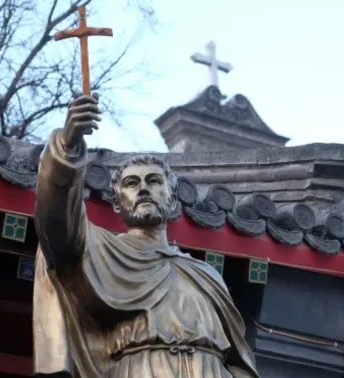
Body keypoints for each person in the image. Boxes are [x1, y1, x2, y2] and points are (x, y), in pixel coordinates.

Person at [33, 93, 260, 378]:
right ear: (117, 204)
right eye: (131, 183)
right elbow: (56, 224)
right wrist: (67, 146)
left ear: (173, 199)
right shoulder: (99, 251)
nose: (143, 189)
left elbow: (239, 363)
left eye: (154, 181)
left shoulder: (206, 275)